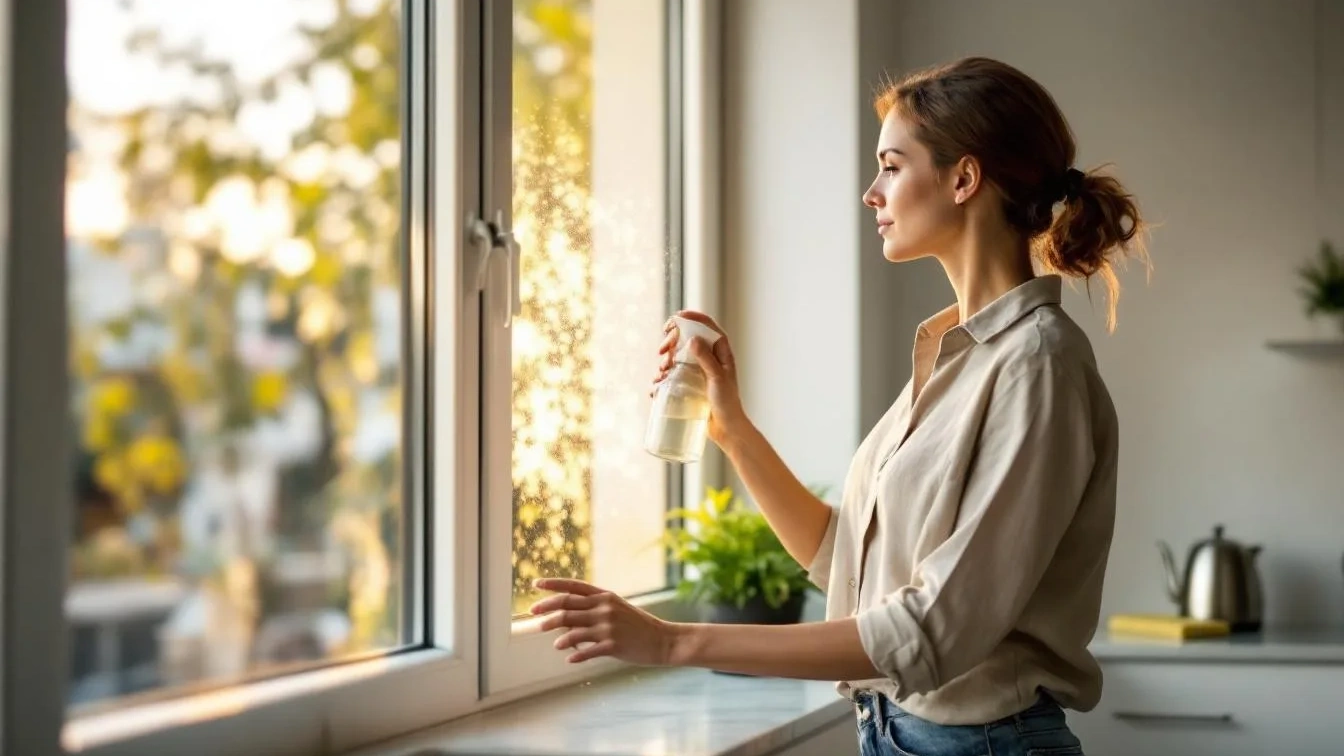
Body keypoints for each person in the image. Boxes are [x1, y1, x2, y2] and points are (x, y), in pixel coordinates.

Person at [529, 56, 1147, 756]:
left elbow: (931, 630)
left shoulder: (1038, 364)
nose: (870, 193)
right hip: (904, 739)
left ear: (963, 178)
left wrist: (672, 641)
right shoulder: (957, 354)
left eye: (890, 165)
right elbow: (847, 562)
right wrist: (731, 429)